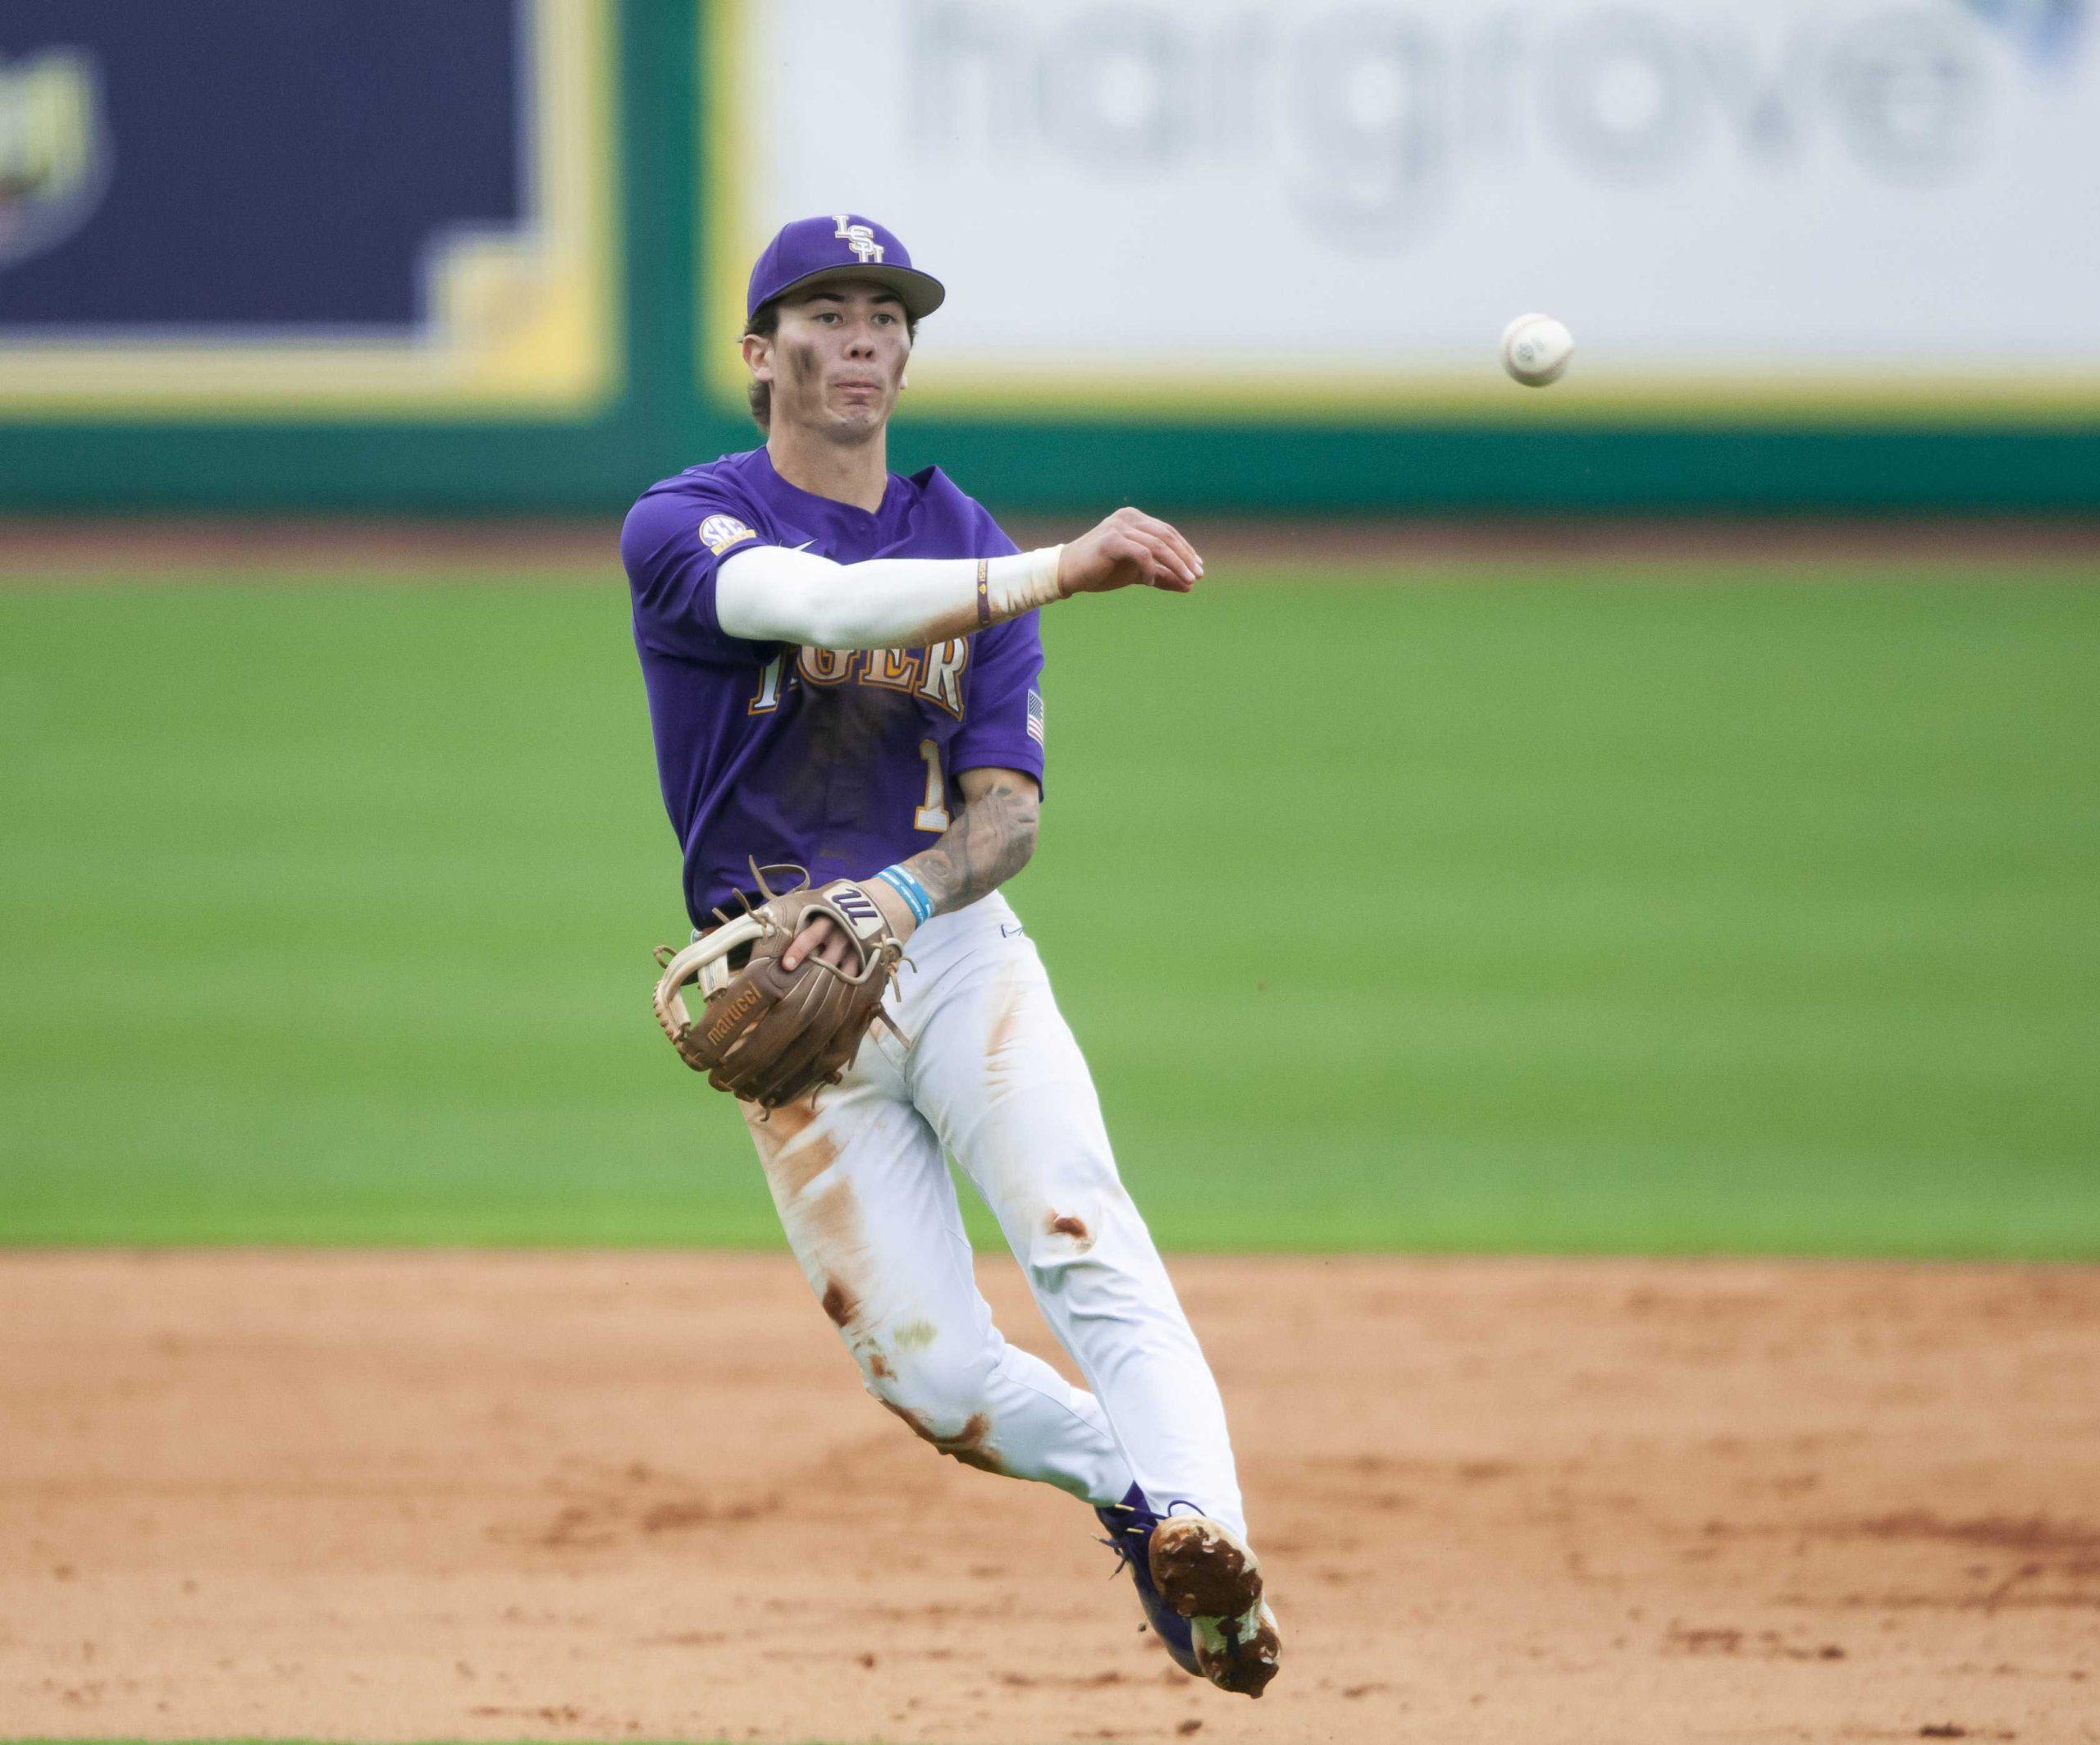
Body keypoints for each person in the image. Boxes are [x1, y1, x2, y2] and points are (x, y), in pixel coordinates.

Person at [619, 213, 1281, 1698]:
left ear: (907, 352)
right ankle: (1144, 1498)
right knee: (925, 1372)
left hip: (958, 951)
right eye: (825, 313)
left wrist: (901, 903)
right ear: (759, 354)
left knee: (1080, 1229)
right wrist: (1057, 568)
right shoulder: (682, 521)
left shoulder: (965, 532)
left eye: (885, 316)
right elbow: (817, 603)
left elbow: (1007, 821)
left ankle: (1208, 1534)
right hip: (784, 985)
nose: (860, 338)